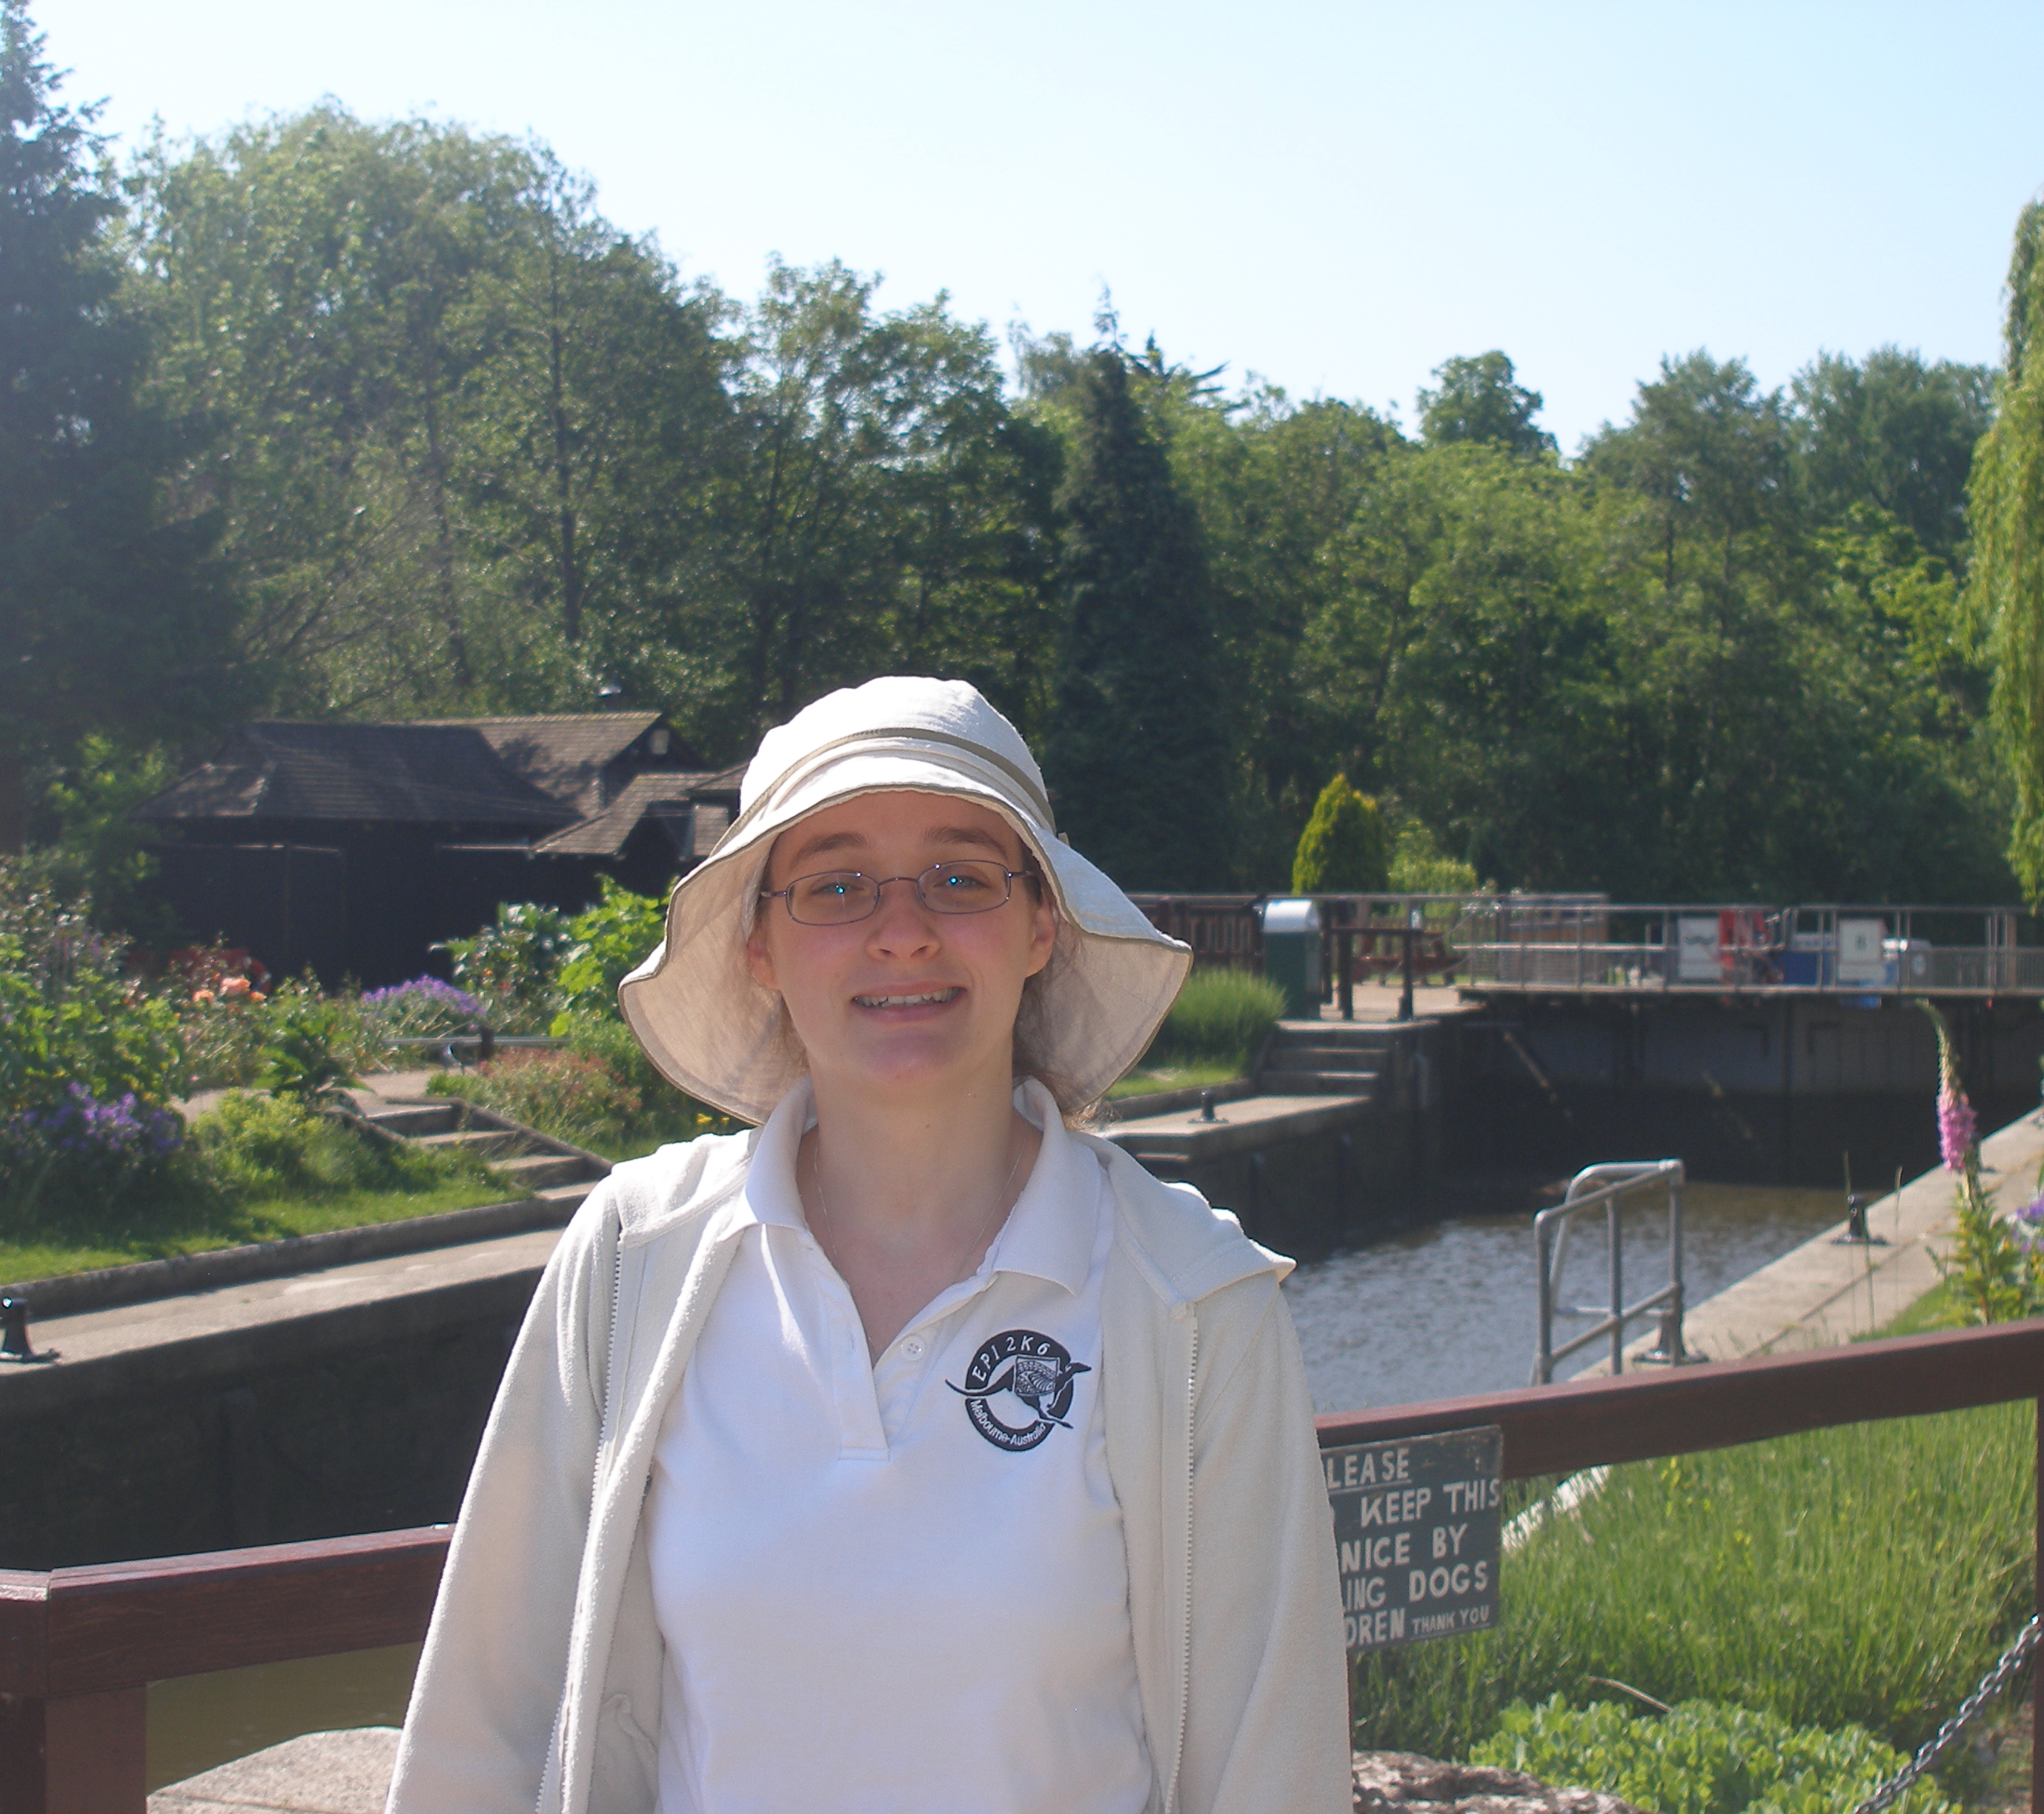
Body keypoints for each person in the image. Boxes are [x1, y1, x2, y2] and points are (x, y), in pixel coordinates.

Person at [386, 677, 1347, 1814]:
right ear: (760, 945)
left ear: (1041, 924)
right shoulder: (637, 1257)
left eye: (961, 877)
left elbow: (1270, 1775)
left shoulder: (1193, 1308)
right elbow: (486, 1723)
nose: (902, 932)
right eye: (836, 886)